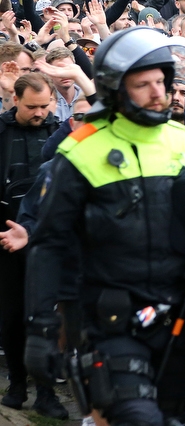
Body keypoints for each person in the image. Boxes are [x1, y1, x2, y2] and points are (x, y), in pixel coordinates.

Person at [24, 27, 185, 426]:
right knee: (135, 417)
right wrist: (42, 327)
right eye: (142, 85)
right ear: (115, 89)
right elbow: (49, 244)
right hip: (110, 320)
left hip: (179, 315)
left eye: (161, 82)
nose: (157, 93)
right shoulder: (79, 151)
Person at [0, 73, 67, 418]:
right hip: (6, 241)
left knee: (44, 320)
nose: (39, 112)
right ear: (15, 99)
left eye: (45, 106)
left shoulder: (63, 134)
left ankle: (46, 392)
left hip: (49, 240)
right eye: (31, 107)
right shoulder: (2, 131)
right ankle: (15, 383)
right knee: (11, 318)